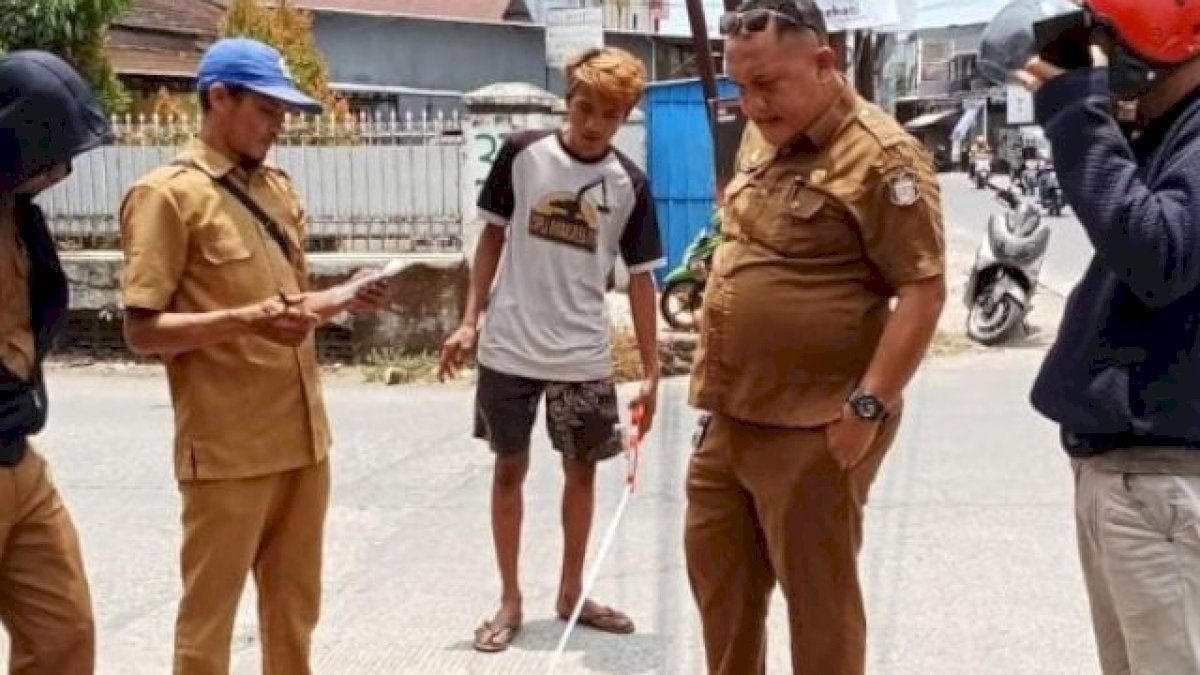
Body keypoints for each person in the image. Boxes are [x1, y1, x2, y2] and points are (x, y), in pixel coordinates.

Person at [684, 1, 947, 673]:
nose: (753, 105)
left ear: (824, 64)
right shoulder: (762, 133)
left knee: (820, 617)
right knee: (724, 603)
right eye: (740, 87)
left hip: (814, 425)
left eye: (767, 84)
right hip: (730, 418)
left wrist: (866, 409)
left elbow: (922, 291)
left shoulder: (884, 157)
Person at [118, 38, 387, 674]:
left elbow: (285, 308)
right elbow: (142, 331)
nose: (279, 126)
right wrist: (242, 320)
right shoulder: (168, 196)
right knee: (208, 624)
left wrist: (344, 296)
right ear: (219, 98)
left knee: (294, 614)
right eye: (266, 111)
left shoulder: (274, 189)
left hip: (303, 441)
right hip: (228, 452)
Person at [437, 46, 664, 653]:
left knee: (581, 472)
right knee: (509, 467)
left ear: (624, 119)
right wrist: (470, 320)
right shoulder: (522, 154)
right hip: (509, 347)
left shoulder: (630, 185)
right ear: (568, 101)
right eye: (585, 108)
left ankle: (570, 592)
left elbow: (641, 277)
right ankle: (510, 598)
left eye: (609, 115)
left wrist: (651, 369)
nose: (593, 123)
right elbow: (491, 237)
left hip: (583, 354)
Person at [1017, 1, 1200, 672]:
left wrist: (1078, 116)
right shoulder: (1170, 129)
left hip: (1164, 485)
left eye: (1104, 43)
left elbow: (1157, 253)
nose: (1095, 61)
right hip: (1144, 480)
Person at [0, 49, 111, 675]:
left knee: (65, 633)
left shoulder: (20, 218)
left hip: (18, 452)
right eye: (52, 155)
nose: (61, 172)